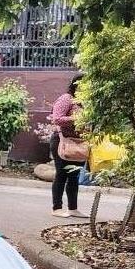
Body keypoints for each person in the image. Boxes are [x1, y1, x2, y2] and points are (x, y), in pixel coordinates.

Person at [50, 75, 84, 218]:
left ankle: (73, 208)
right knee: (62, 174)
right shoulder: (66, 98)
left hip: (78, 143)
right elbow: (57, 118)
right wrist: (77, 118)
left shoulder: (84, 102)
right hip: (62, 141)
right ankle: (57, 208)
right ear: (77, 85)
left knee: (74, 175)